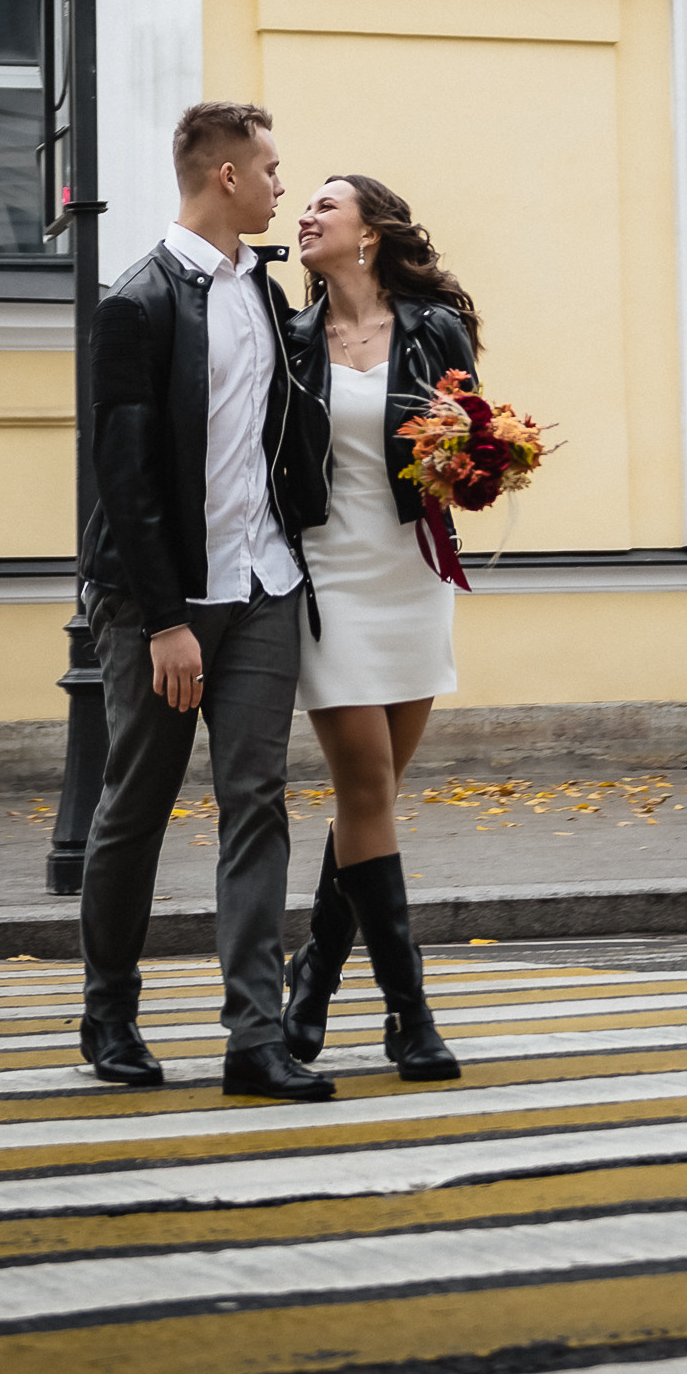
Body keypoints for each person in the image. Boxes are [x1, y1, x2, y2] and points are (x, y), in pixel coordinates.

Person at [75, 101, 335, 1102]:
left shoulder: (264, 297)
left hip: (263, 583)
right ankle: (109, 1013)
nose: (280, 184)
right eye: (270, 167)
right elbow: (126, 480)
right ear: (224, 177)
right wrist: (165, 618)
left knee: (255, 804)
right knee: (134, 806)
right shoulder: (138, 301)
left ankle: (253, 1039)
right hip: (165, 602)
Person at [282, 174, 479, 1081]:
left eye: (326, 203)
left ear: (369, 231)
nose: (306, 215)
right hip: (328, 582)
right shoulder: (290, 340)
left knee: (373, 805)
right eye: (305, 206)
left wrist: (483, 460)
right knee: (366, 792)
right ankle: (410, 1017)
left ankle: (313, 985)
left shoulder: (434, 328)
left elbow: (466, 443)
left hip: (413, 576)